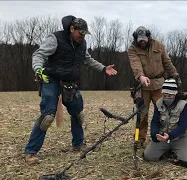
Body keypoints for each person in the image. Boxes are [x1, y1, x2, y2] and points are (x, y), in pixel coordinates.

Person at [24, 15, 118, 165]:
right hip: (51, 79)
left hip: (70, 81)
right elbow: (38, 54)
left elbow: (87, 59)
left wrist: (103, 68)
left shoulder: (82, 43)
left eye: (84, 34)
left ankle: (78, 144)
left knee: (77, 112)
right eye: (80, 33)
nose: (82, 36)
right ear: (72, 28)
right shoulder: (55, 38)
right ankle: (31, 151)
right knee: (47, 116)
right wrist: (38, 70)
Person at [127, 26, 181, 147]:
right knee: (141, 116)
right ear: (136, 38)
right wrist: (141, 76)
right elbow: (135, 64)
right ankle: (138, 139)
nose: (142, 41)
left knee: (164, 113)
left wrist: (175, 76)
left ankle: (164, 137)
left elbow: (167, 62)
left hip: (159, 85)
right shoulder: (132, 49)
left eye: (144, 39)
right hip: (142, 87)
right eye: (140, 39)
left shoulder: (158, 45)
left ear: (148, 36)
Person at [143, 78, 187, 168]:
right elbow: (155, 121)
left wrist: (170, 136)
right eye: (165, 95)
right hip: (162, 137)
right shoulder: (158, 103)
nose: (167, 98)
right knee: (148, 156)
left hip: (180, 138)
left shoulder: (185, 106)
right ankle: (167, 150)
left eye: (170, 96)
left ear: (175, 94)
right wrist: (154, 135)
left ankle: (176, 150)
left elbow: (182, 127)